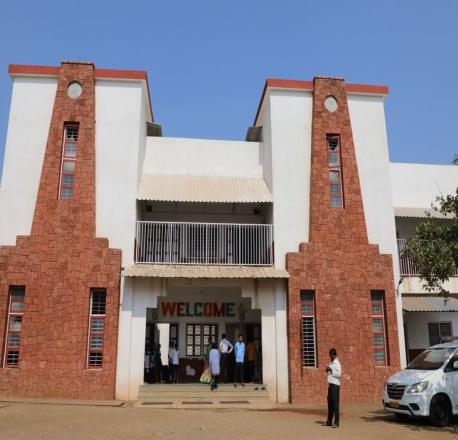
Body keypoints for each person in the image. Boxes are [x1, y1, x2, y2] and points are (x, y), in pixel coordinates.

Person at [324, 348, 341, 428]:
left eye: (331, 356)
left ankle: (336, 422)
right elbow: (330, 371)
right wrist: (328, 370)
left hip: (335, 386)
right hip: (330, 385)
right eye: (329, 356)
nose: (330, 357)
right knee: (330, 404)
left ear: (334, 355)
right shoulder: (331, 362)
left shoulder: (337, 363)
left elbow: (339, 374)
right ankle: (329, 421)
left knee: (335, 405)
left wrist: (331, 370)